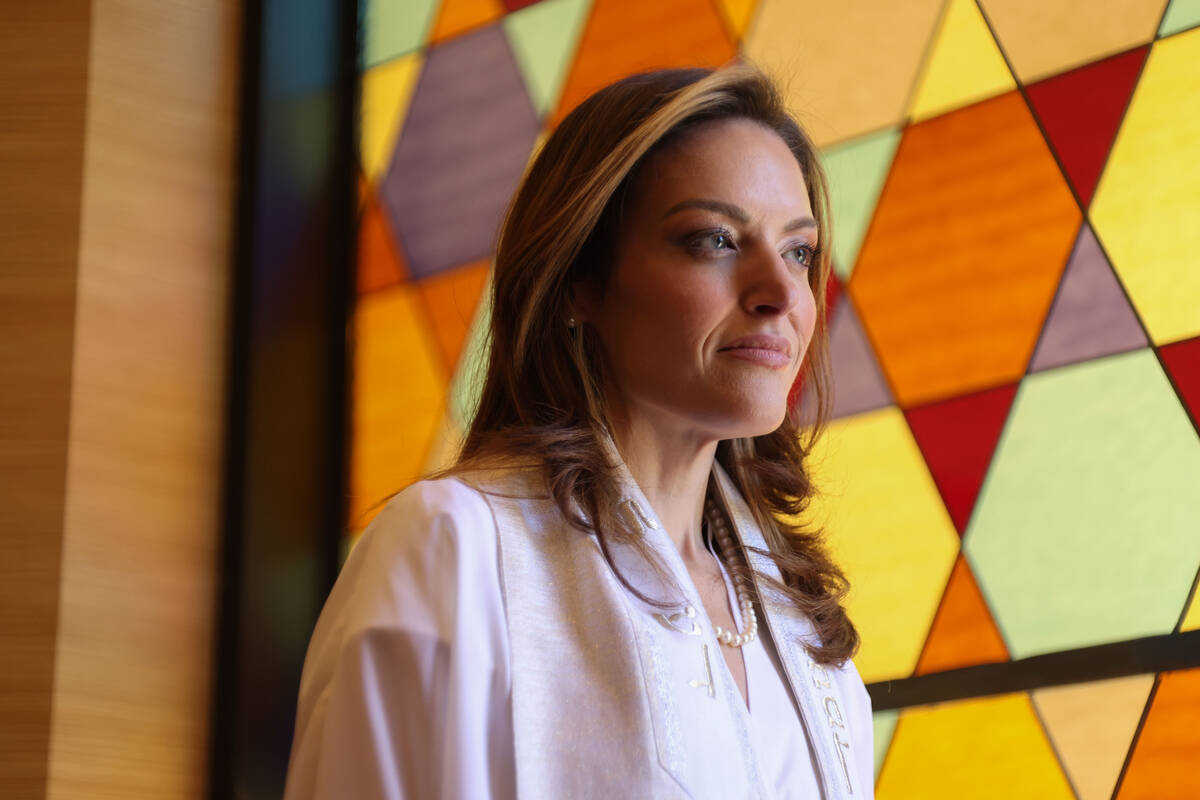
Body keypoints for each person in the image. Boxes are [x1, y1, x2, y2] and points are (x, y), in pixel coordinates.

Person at [283, 63, 874, 799]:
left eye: (798, 251)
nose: (782, 293)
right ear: (578, 282)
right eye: (714, 240)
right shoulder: (456, 553)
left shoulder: (810, 634)